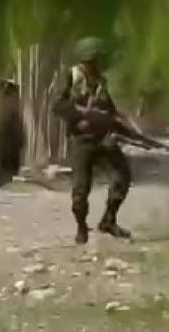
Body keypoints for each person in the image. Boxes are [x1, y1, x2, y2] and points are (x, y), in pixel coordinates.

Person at [53, 37, 132, 244]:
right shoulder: (71, 77)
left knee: (122, 177)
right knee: (80, 191)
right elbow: (58, 106)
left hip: (103, 139)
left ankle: (109, 220)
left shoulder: (101, 82)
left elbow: (109, 110)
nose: (98, 64)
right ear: (88, 59)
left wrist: (121, 128)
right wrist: (78, 119)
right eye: (96, 59)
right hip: (82, 141)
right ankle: (81, 227)